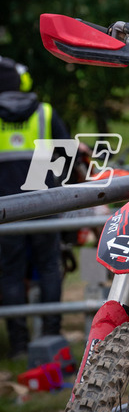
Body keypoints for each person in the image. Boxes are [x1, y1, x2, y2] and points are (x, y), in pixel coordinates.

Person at [0, 56, 70, 358]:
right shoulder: (44, 112)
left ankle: (18, 346)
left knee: (11, 273)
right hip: (44, 202)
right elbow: (64, 156)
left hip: (5, 208)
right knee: (49, 267)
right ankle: (51, 338)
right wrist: (43, 179)